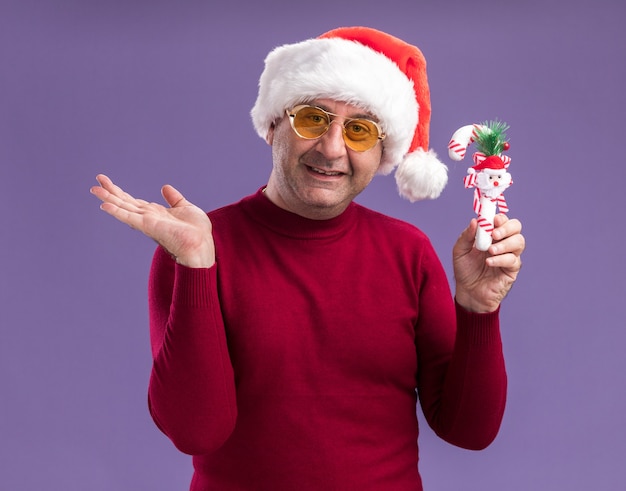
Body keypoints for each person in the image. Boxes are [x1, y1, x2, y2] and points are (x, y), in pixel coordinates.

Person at [90, 26, 524, 491]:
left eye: (359, 130)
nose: (332, 148)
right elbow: (196, 430)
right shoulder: (194, 247)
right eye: (313, 120)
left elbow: (469, 430)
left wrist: (480, 310)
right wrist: (197, 265)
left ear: (382, 154)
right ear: (274, 124)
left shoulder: (409, 253)